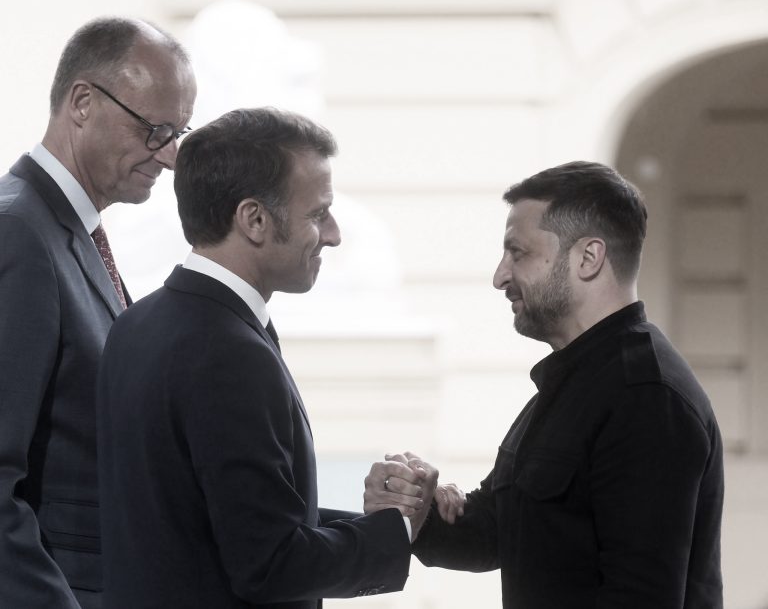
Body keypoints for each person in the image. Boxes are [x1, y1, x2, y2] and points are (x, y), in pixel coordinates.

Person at [95, 107, 437, 609]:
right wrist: (398, 529)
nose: (334, 234)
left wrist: (389, 525)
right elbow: (270, 564)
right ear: (254, 219)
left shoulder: (137, 323)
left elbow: (229, 523)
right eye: (318, 214)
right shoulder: (228, 353)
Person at [366, 161, 724, 608]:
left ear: (588, 258)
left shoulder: (646, 396)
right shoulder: (573, 383)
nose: (500, 276)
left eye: (518, 253)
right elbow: (495, 532)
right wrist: (418, 510)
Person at [0, 18, 196, 609]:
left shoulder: (67, 233)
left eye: (179, 132)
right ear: (82, 102)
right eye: (155, 130)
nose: (170, 156)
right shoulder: (17, 233)